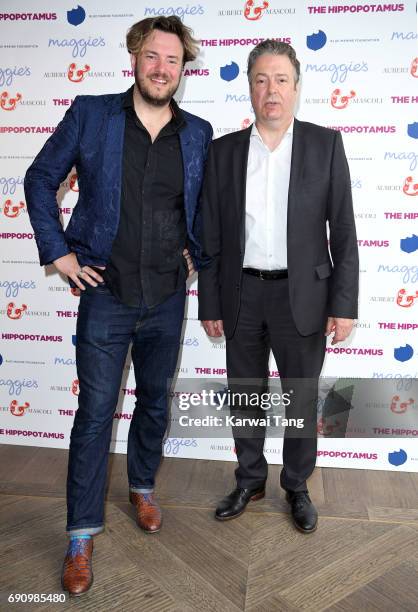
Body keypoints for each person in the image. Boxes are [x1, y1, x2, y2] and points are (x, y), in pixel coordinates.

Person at [25, 16, 212, 596]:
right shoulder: (92, 113)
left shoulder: (199, 131)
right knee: (95, 415)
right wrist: (58, 253)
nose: (162, 69)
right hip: (103, 293)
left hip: (165, 296)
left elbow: (203, 208)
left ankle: (143, 487)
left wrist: (197, 259)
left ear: (184, 68)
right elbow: (39, 179)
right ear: (135, 57)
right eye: (153, 57)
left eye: (173, 60)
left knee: (154, 402)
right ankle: (79, 536)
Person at [198, 40, 358, 534]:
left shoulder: (325, 144)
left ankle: (296, 484)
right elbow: (210, 234)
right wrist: (209, 300)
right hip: (240, 295)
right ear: (249, 87)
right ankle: (249, 479)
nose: (272, 91)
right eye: (262, 80)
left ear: (296, 86)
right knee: (245, 395)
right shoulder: (222, 152)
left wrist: (344, 304)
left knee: (301, 400)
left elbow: (344, 231)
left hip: (304, 298)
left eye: (281, 80)